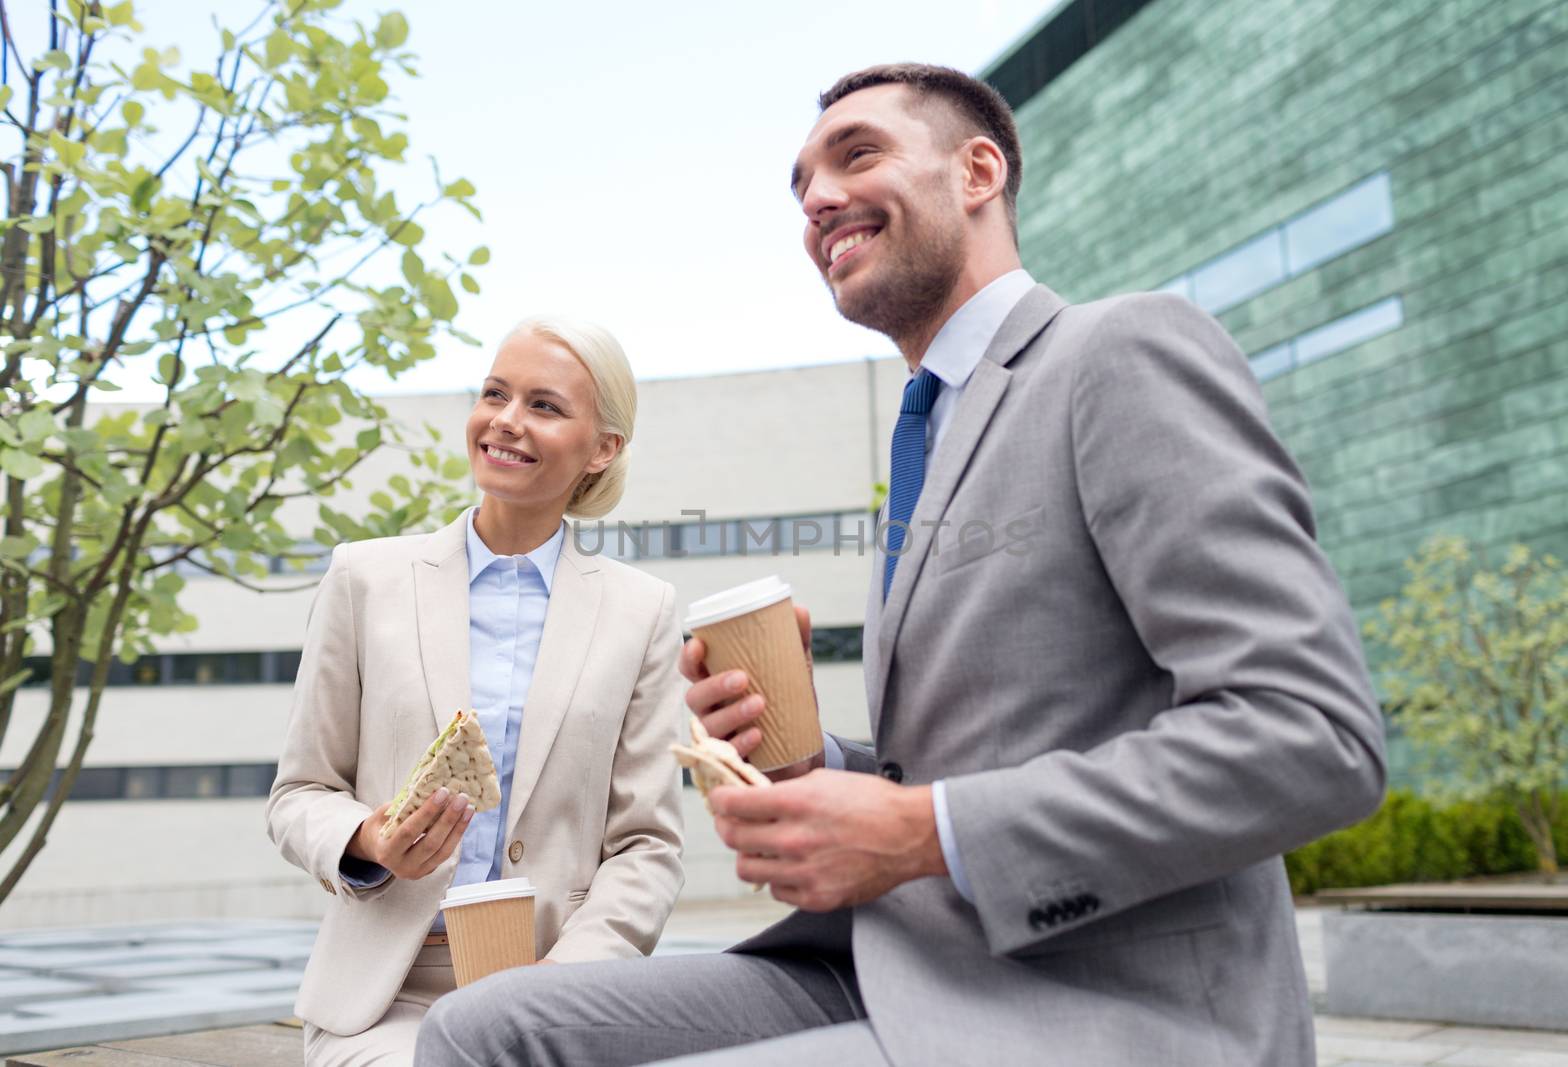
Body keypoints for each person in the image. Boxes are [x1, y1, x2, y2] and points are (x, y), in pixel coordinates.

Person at [418, 63, 1386, 1066]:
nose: (817, 199)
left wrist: (922, 830)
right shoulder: (931, 428)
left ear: (977, 172)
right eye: (799, 185)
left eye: (856, 154)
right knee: (479, 1024)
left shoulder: (1116, 352)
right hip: (900, 960)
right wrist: (811, 766)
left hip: (1100, 1000)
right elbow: (961, 762)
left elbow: (1313, 736)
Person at [266, 316, 686, 1065]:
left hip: (557, 991)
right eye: (495, 393)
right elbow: (301, 792)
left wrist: (564, 981)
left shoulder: (644, 612)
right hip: (386, 997)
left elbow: (646, 844)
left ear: (603, 448)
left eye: (545, 406)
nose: (505, 421)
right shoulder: (364, 578)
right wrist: (370, 840)